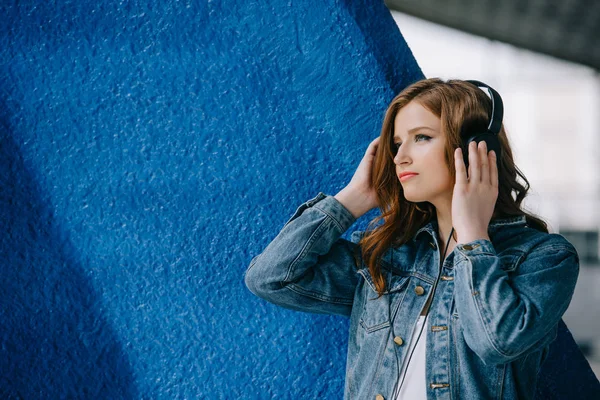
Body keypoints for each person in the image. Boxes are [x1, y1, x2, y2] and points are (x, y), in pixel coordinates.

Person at [244, 77, 580, 400]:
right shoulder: (386, 257)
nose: (400, 157)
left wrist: (473, 236)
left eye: (421, 137)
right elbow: (270, 278)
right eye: (396, 144)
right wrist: (353, 198)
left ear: (476, 148)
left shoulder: (544, 258)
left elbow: (496, 342)